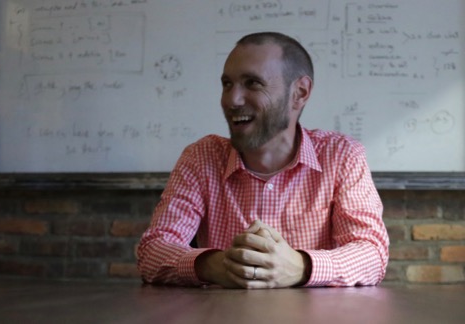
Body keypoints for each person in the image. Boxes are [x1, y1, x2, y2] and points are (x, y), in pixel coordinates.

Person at [136, 32, 388, 289]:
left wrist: (300, 267)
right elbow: (153, 251)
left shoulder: (341, 156)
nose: (232, 100)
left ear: (299, 93)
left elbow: (372, 255)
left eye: (253, 83)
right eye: (227, 84)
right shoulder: (202, 157)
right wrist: (217, 265)